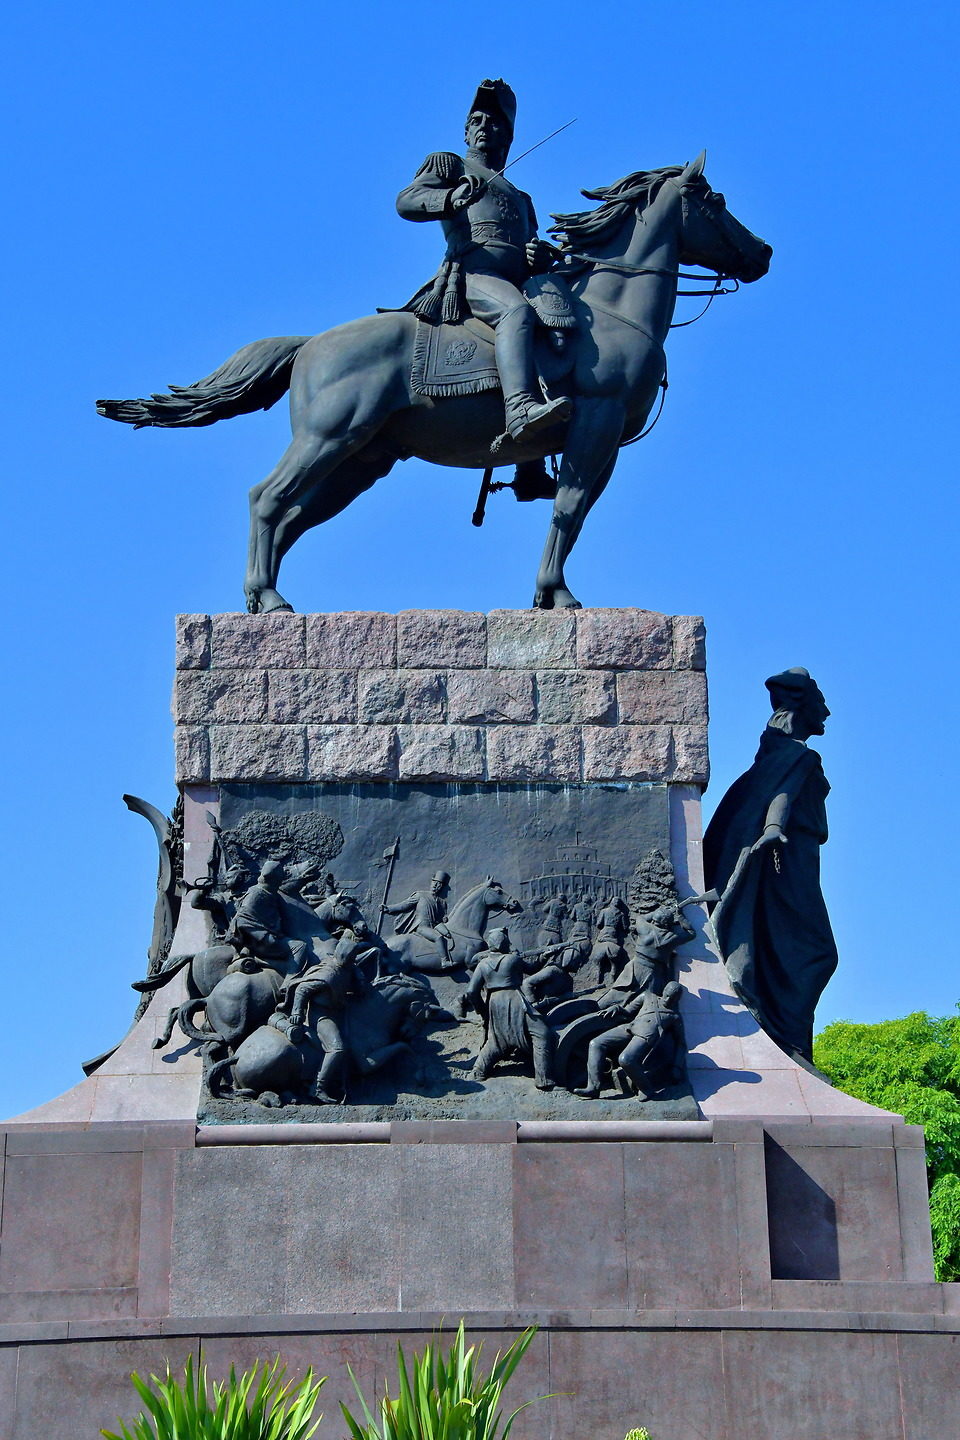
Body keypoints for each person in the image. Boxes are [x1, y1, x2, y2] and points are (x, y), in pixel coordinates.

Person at [396, 78, 571, 443]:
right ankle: (519, 408)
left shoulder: (522, 198)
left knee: (560, 323)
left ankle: (532, 465)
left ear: (507, 136)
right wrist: (450, 199)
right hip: (474, 273)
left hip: (520, 280)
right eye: (475, 121)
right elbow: (408, 200)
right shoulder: (450, 164)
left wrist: (537, 256)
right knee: (515, 313)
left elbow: (530, 243)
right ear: (465, 131)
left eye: (493, 123)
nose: (483, 128)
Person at [703, 668, 837, 1064]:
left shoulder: (784, 756)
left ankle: (788, 1041)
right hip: (785, 865)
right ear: (803, 705)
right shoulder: (798, 756)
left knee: (800, 952)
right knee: (816, 952)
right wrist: (775, 828)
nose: (827, 713)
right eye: (821, 703)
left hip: (800, 861)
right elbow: (783, 793)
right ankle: (787, 1043)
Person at [458, 928, 556, 1090]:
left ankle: (478, 1071)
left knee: (496, 1039)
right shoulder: (512, 960)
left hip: (494, 1002)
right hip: (514, 998)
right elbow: (531, 969)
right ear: (503, 944)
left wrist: (482, 1009)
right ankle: (543, 1079)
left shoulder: (482, 965)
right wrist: (543, 958)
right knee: (541, 1033)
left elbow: (470, 991)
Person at [384, 870, 454, 967]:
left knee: (450, 934)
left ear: (441, 887)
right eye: (434, 883)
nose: (435, 886)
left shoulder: (442, 902)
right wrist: (388, 908)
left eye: (439, 884)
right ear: (431, 882)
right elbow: (404, 905)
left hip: (436, 926)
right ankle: (444, 961)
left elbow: (441, 918)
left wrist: (444, 919)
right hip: (422, 927)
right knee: (438, 937)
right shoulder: (420, 895)